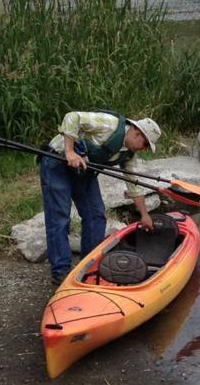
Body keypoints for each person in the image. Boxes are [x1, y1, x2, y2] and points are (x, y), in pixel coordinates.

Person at [41, 110, 161, 285]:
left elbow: (134, 184)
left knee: (96, 216)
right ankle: (61, 272)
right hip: (57, 162)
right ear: (137, 133)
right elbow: (72, 117)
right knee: (59, 218)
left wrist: (144, 215)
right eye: (145, 145)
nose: (144, 149)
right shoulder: (109, 124)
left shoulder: (128, 153)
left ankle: (88, 264)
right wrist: (70, 151)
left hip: (83, 171)